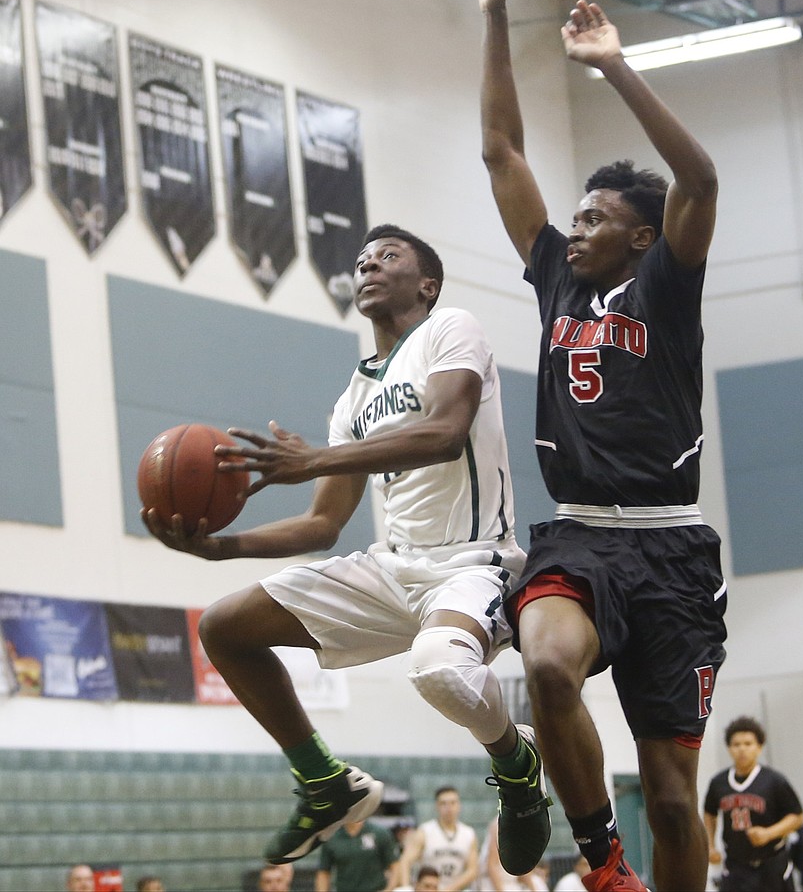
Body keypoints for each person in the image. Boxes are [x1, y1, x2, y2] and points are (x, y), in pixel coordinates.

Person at [144, 224, 550, 878]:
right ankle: (325, 780)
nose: (368, 265)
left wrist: (318, 458)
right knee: (224, 626)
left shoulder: (452, 330)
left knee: (440, 669)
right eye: (361, 260)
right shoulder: (355, 395)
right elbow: (323, 523)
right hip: (391, 565)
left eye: (388, 256)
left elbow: (446, 432)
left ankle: (516, 762)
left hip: (473, 562)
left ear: (427, 283)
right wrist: (219, 547)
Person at [478, 0, 728, 892]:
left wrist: (615, 68)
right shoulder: (555, 280)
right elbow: (501, 150)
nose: (572, 228)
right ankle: (599, 861)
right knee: (543, 668)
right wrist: (493, 19)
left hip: (669, 549)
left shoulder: (666, 285)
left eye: (593, 219)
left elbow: (700, 179)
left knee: (673, 800)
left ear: (639, 237)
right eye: (573, 215)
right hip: (578, 536)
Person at [703, 715, 803, 890]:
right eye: (736, 744)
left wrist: (769, 833)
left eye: (748, 744)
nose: (742, 749)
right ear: (729, 748)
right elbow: (709, 812)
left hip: (772, 864)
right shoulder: (718, 782)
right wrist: (710, 845)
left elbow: (797, 816)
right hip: (736, 865)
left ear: (759, 747)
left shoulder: (774, 781)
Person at [398, 786, 478, 890]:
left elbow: (472, 870)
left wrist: (449, 889)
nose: (449, 808)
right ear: (436, 806)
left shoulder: (469, 834)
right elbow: (405, 860)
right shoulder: (425, 831)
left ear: (459, 805)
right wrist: (406, 887)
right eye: (443, 803)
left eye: (453, 803)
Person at [316, 817, 398, 892]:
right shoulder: (332, 838)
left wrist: (389, 889)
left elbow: (395, 866)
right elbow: (323, 872)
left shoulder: (379, 833)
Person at [479, 812, 546, 891]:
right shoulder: (499, 824)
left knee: (538, 884)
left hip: (511, 883)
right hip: (492, 885)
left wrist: (534, 889)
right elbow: (491, 866)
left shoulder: (523, 827)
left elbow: (523, 867)